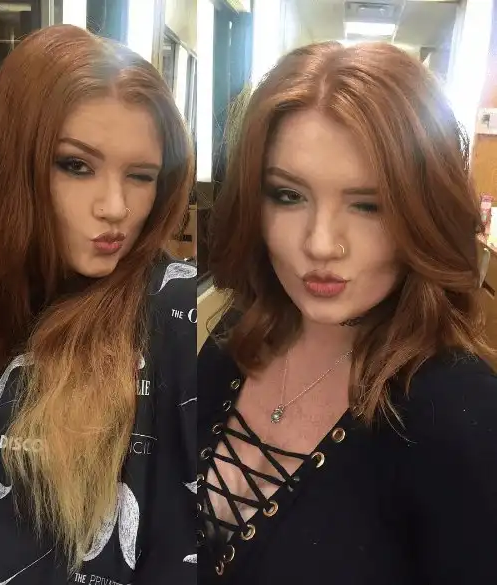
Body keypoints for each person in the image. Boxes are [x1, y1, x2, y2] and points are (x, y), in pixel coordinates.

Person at [0, 25, 197, 585]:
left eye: (141, 177)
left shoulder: (176, 314)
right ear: (10, 165)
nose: (115, 207)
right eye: (76, 166)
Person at [197, 41, 497, 584]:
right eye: (288, 195)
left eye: (368, 205)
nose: (320, 243)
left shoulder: (460, 415)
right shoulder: (237, 335)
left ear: (424, 214)